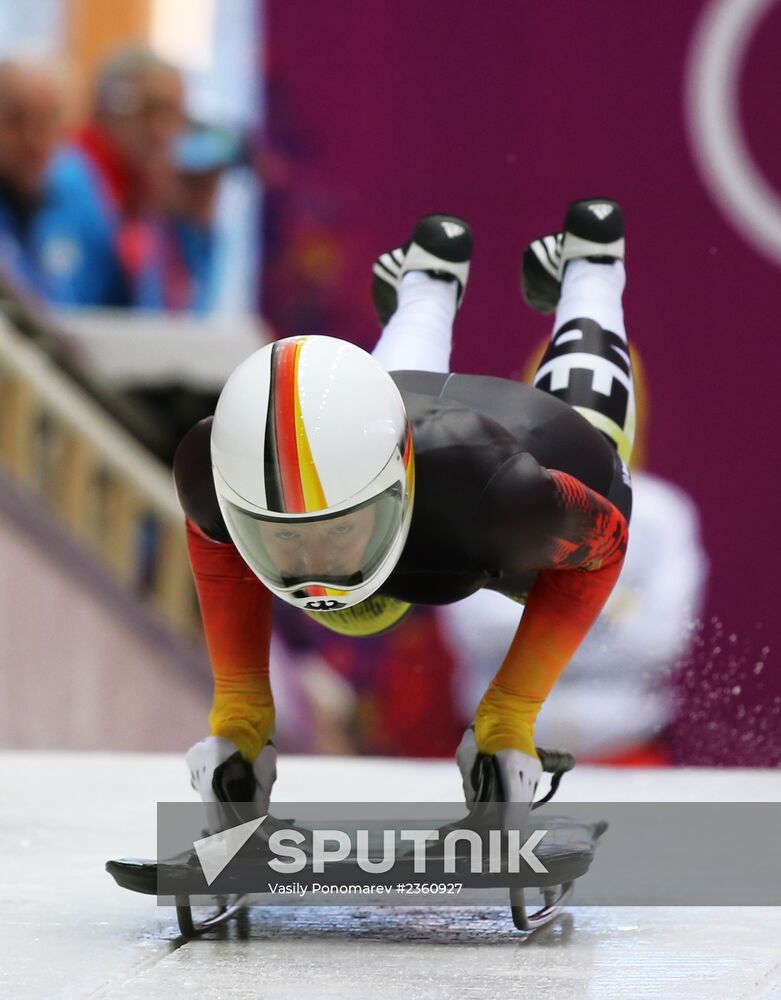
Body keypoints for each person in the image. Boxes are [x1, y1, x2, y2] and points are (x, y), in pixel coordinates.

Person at [175, 198, 635, 823]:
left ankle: (592, 266)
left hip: (504, 469)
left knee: (597, 440)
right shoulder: (216, 467)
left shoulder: (503, 500)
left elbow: (607, 544)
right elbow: (216, 536)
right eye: (283, 537)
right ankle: (429, 278)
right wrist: (240, 713)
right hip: (416, 455)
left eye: (335, 532)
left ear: (392, 490)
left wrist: (509, 716)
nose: (314, 566)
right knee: (362, 597)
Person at [74, 46, 189, 308]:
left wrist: (195, 229)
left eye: (174, 114)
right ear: (109, 108)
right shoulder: (70, 179)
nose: (162, 131)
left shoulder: (147, 186)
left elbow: (182, 318)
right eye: (150, 110)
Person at [0, 57, 118, 305]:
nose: (33, 140)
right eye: (16, 120)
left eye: (47, 121)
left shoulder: (78, 187)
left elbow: (114, 305)